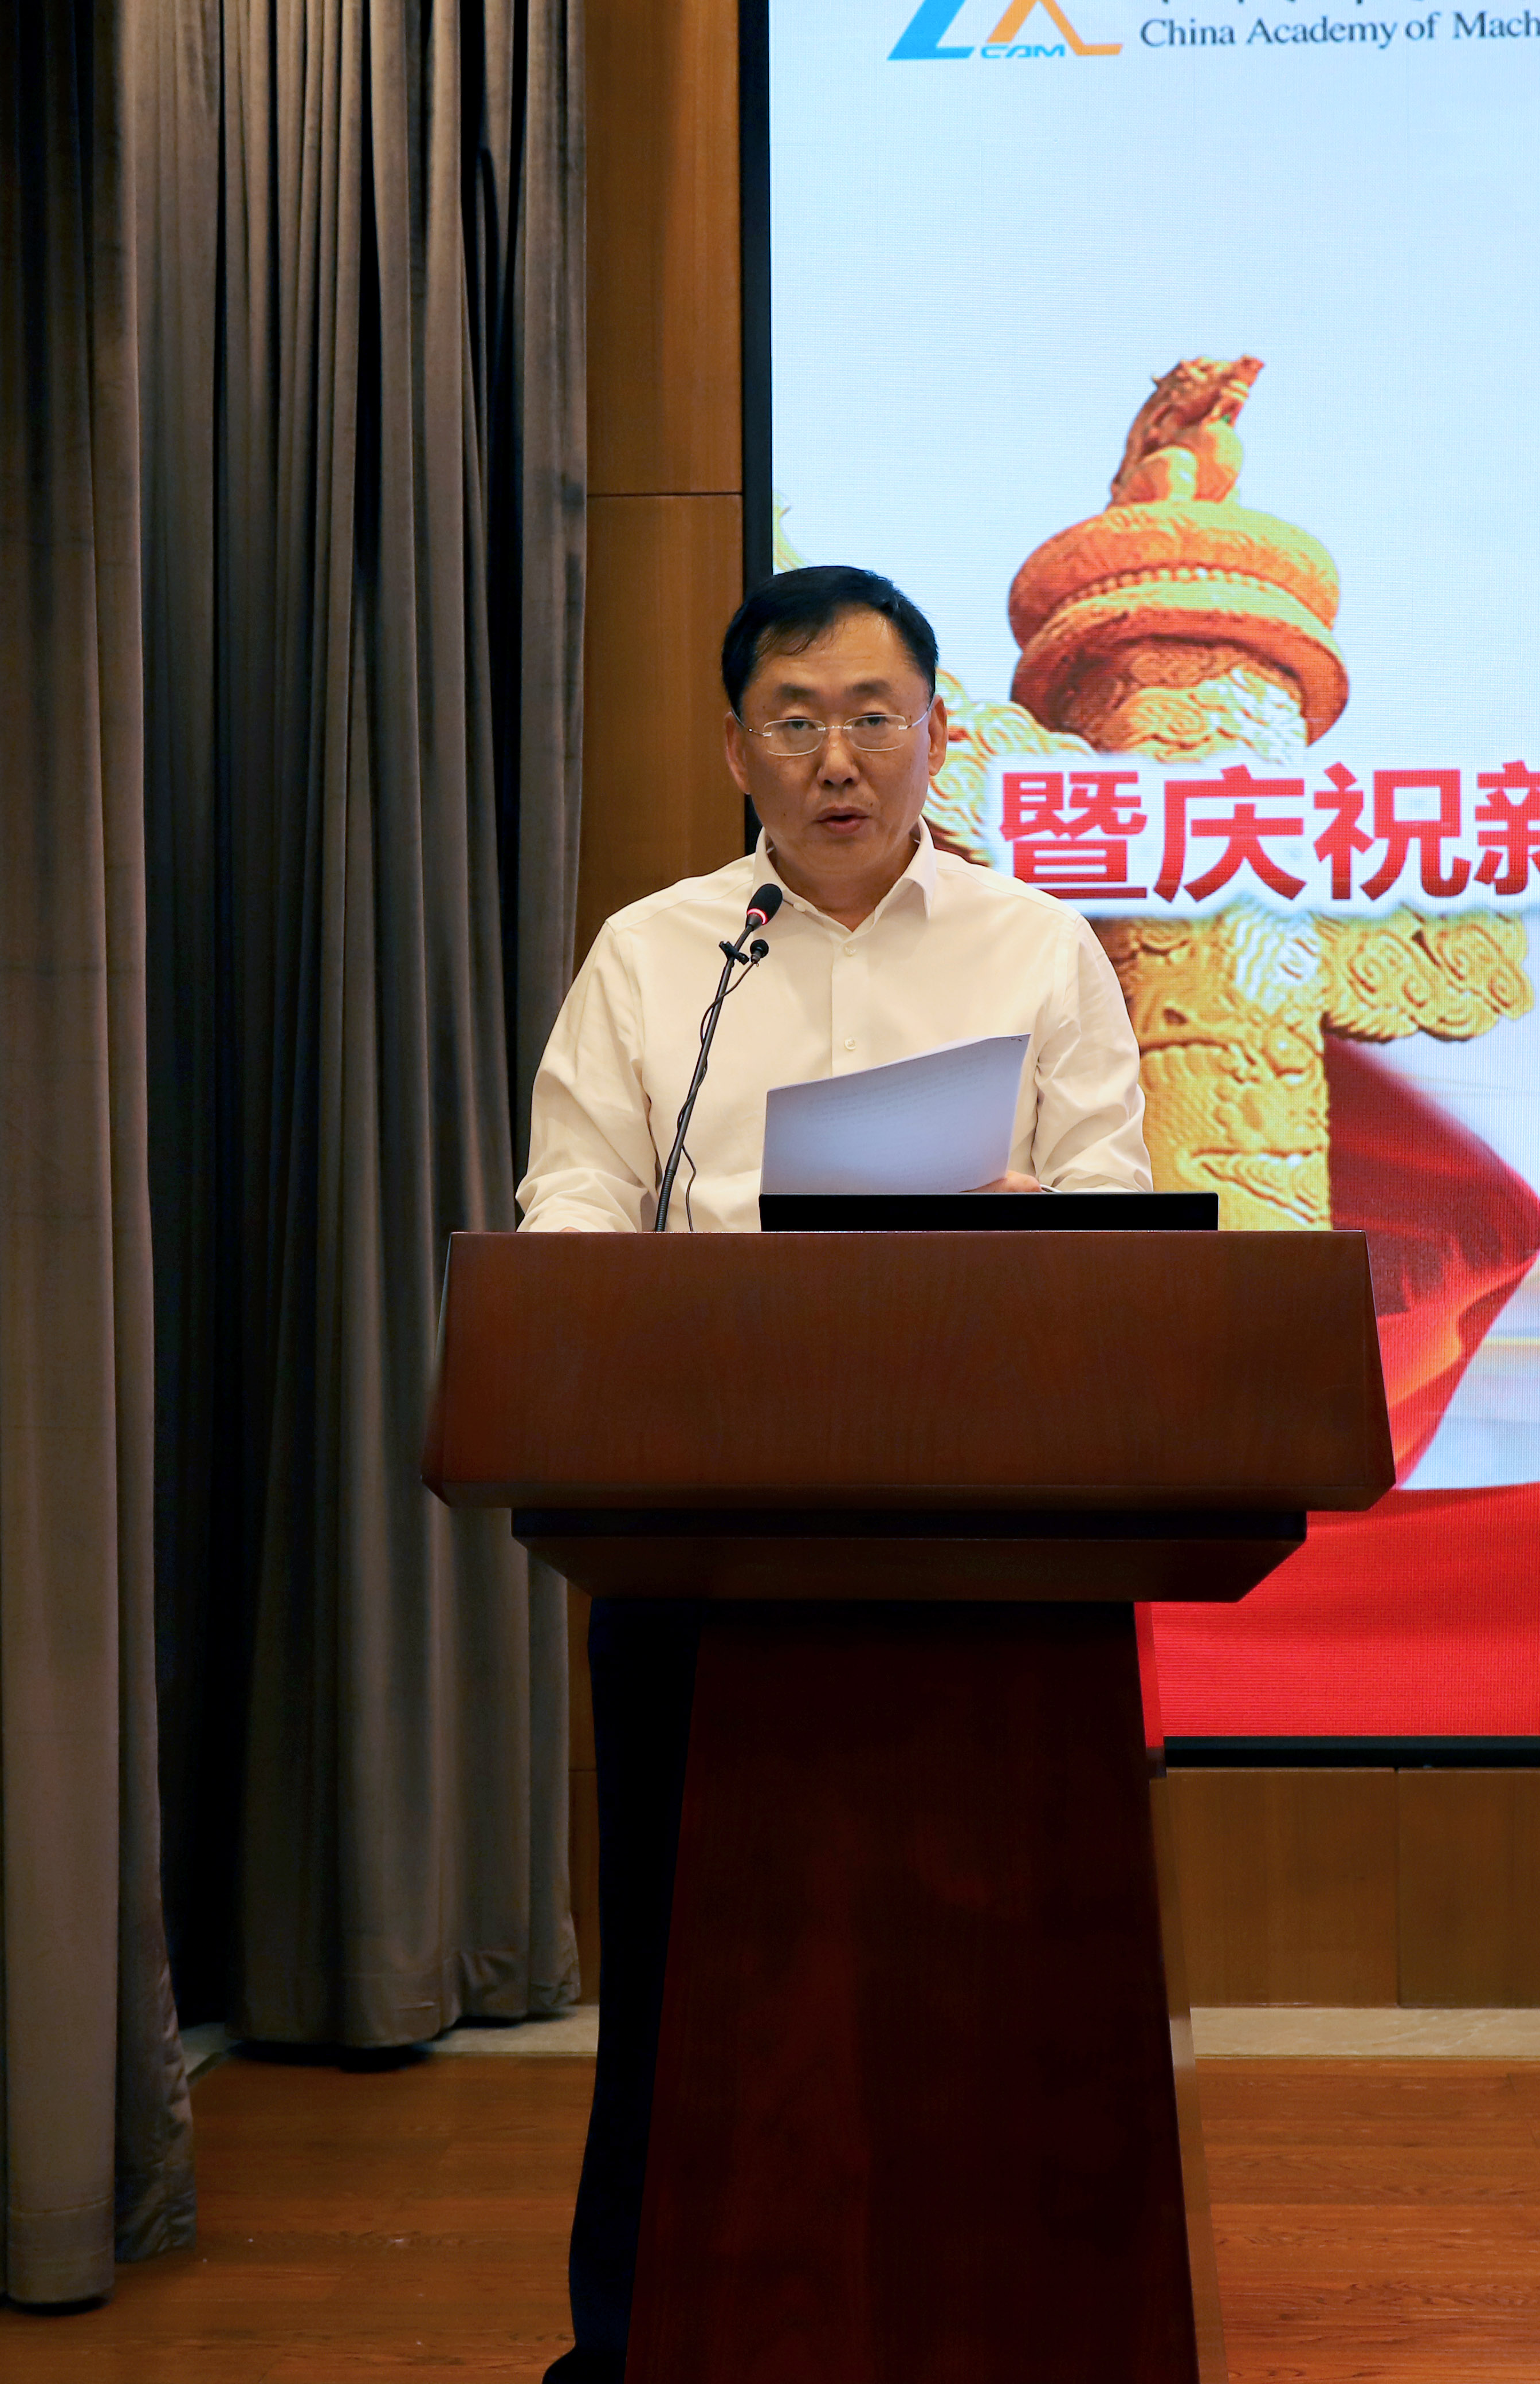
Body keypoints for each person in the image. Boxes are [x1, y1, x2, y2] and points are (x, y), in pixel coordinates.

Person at [514, 563, 1153, 2382]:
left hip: (986, 1533)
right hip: (705, 1537)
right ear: (738, 752)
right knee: (687, 1964)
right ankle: (644, 2343)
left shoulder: (1036, 947)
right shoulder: (660, 955)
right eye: (795, 723)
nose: (839, 759)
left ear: (939, 734)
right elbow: (570, 1208)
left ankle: (1004, 2328)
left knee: (990, 1967)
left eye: (874, 717)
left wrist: (1035, 1229)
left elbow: (1116, 1201)